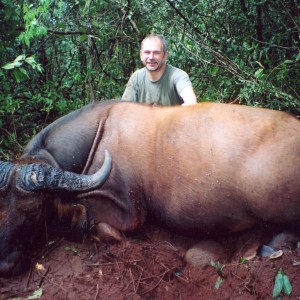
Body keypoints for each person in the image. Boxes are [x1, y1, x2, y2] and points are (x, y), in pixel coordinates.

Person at [122, 34, 197, 106]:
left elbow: (189, 98)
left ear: (165, 55)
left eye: (156, 53)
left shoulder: (177, 75)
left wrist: (190, 102)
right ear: (141, 55)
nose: (151, 57)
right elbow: (124, 108)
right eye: (147, 52)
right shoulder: (136, 77)